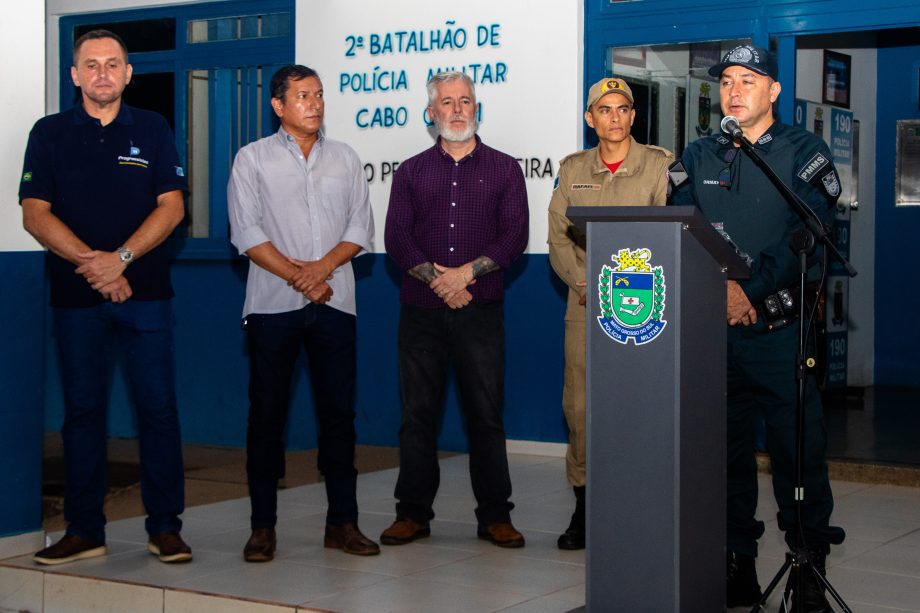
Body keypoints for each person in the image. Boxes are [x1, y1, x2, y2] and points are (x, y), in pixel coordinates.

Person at [670, 44, 845, 611]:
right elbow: (679, 229)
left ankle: (808, 567)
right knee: (724, 453)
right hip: (715, 332)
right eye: (726, 81)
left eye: (749, 79)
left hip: (779, 332)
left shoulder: (802, 151)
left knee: (799, 453)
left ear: (773, 91)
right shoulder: (697, 155)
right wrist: (722, 290)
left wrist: (750, 288)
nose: (735, 90)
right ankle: (735, 561)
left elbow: (812, 234)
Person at [19, 30, 191, 565]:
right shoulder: (48, 134)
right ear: (74, 75)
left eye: (111, 64)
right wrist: (96, 267)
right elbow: (35, 213)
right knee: (83, 412)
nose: (101, 73)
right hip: (75, 298)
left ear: (127, 73)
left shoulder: (154, 128)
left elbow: (172, 206)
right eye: (90, 65)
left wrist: (122, 260)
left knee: (158, 409)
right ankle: (84, 529)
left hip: (147, 293)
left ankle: (165, 527)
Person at [227, 65, 378, 561]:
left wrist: (321, 271)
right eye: (302, 96)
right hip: (274, 307)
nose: (314, 104)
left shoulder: (345, 157)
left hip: (336, 305)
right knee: (265, 418)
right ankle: (262, 528)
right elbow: (245, 232)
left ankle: (343, 523)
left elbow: (361, 225)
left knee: (339, 418)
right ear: (278, 106)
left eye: (319, 95)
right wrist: (300, 278)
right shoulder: (251, 160)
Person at [381, 71, 529, 548]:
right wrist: (442, 283)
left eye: (466, 100)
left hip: (480, 311)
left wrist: (464, 275)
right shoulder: (410, 171)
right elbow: (396, 238)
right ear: (431, 113)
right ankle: (413, 514)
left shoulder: (506, 169)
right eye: (447, 102)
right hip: (421, 313)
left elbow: (515, 236)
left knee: (486, 415)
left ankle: (494, 516)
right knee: (417, 416)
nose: (458, 109)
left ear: (476, 108)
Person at [547, 78, 673, 550]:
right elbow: (558, 236)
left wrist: (622, 286)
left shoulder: (659, 167)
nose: (615, 117)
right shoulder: (572, 169)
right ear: (590, 118)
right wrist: (584, 282)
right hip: (584, 302)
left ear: (633, 117)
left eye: (623, 109)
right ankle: (584, 505)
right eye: (605, 109)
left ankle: (641, 500)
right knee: (580, 406)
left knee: (640, 403)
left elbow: (668, 232)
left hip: (644, 309)